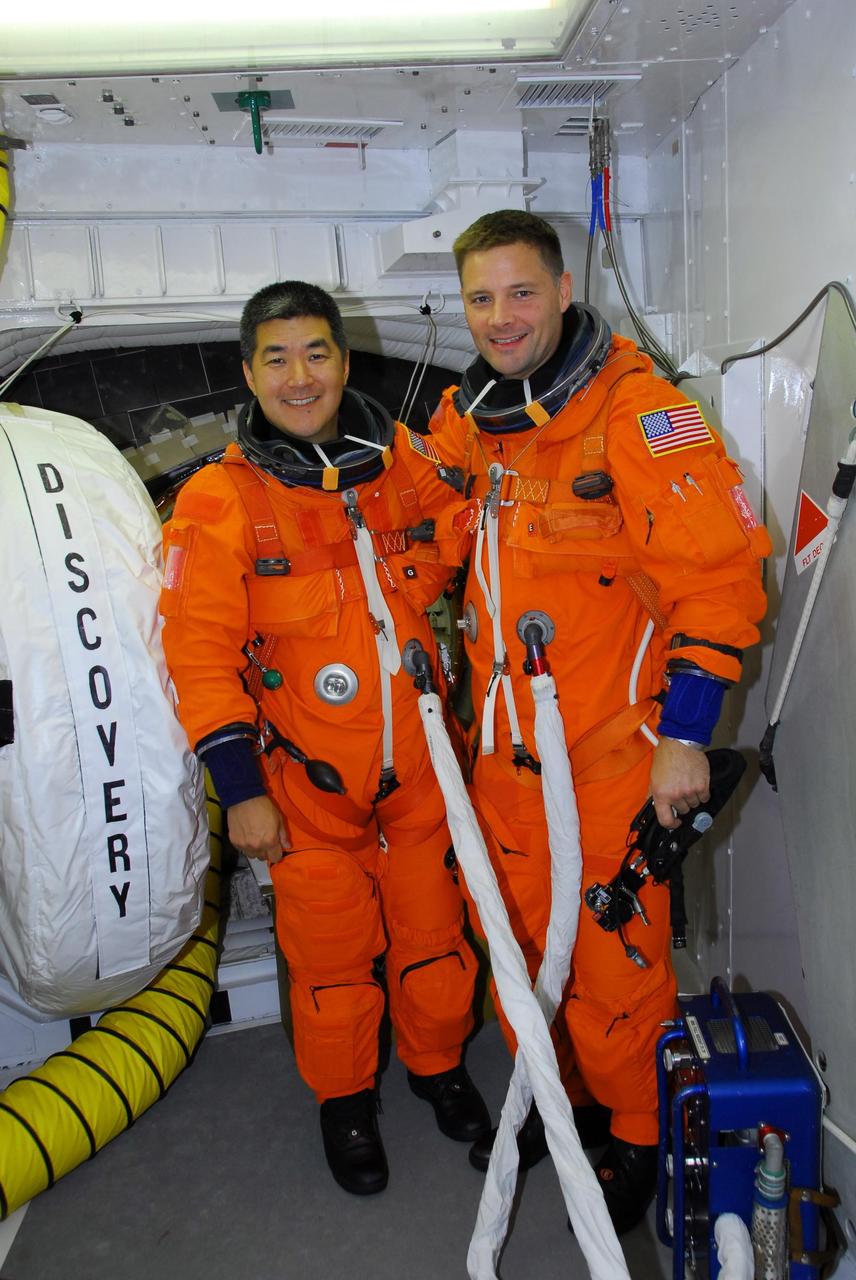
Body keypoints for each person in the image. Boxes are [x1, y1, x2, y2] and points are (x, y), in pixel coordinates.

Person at [427, 210, 769, 1233]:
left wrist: (684, 735)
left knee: (614, 965)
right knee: (522, 949)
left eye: (520, 292)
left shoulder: (639, 412)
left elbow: (716, 583)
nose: (502, 317)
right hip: (503, 759)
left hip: (609, 759)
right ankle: (561, 1100)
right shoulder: (471, 416)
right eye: (481, 298)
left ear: (565, 287)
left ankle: (632, 1132)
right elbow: (418, 503)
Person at [159, 280, 490, 1196]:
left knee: (435, 939)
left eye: (316, 354)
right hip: (305, 788)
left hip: (425, 777)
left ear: (344, 363)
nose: (299, 377)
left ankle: (435, 1067)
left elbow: (468, 536)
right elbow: (197, 653)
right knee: (334, 962)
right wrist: (242, 789)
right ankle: (345, 1103)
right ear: (249, 373)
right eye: (277, 358)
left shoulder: (401, 468)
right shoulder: (220, 501)